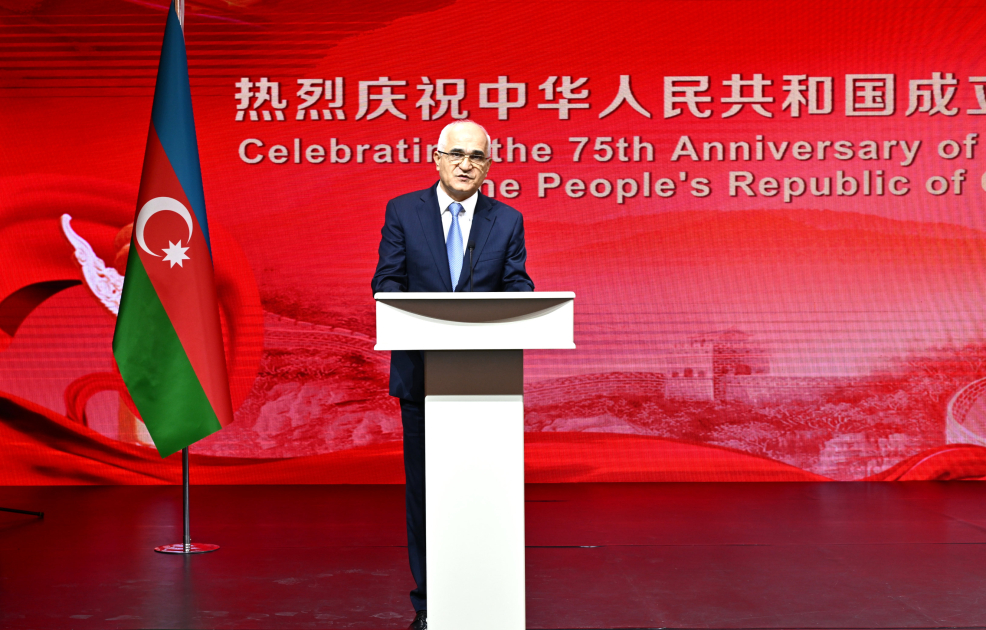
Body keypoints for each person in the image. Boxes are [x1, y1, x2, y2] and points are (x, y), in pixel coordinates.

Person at [371, 120, 534, 630]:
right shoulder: (404, 211)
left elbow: (518, 285)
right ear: (437, 158)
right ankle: (430, 605)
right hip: (422, 377)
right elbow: (387, 282)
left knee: (481, 494)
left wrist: (517, 307)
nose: (466, 164)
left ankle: (484, 598)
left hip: (485, 385)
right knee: (425, 495)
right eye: (457, 154)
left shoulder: (507, 220)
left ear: (489, 165)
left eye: (477, 157)